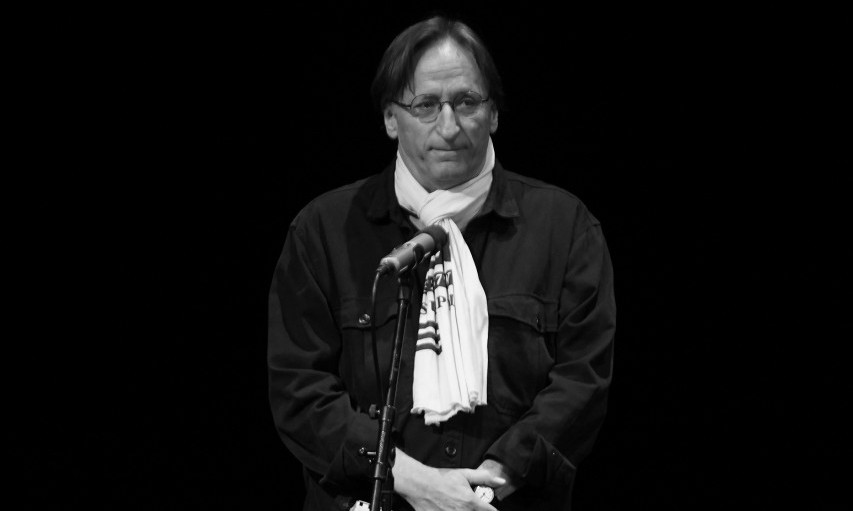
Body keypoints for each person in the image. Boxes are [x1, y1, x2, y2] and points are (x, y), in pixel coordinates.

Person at [268, 16, 615, 511]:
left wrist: (484, 488)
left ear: (493, 113)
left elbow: (582, 382)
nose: (448, 126)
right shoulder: (323, 231)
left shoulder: (565, 227)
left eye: (467, 102)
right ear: (391, 119)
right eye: (426, 105)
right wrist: (413, 481)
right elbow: (299, 392)